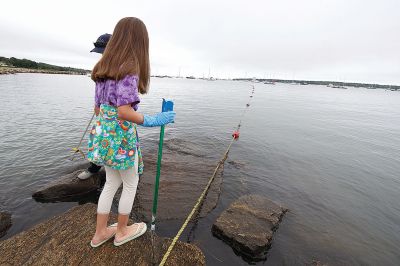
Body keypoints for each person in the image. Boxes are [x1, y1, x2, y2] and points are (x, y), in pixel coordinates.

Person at [88, 17, 176, 247]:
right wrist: (154, 120)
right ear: (139, 41)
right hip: (121, 138)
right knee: (130, 183)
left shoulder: (101, 68)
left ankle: (100, 234)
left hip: (104, 136)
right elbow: (124, 111)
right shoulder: (129, 67)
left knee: (110, 183)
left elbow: (98, 109)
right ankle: (122, 231)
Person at [78, 33, 112, 180]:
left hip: (117, 112)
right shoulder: (101, 65)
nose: (101, 54)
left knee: (118, 143)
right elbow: (98, 88)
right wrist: (97, 104)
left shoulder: (121, 66)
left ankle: (129, 170)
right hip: (103, 110)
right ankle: (94, 168)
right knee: (98, 140)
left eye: (103, 51)